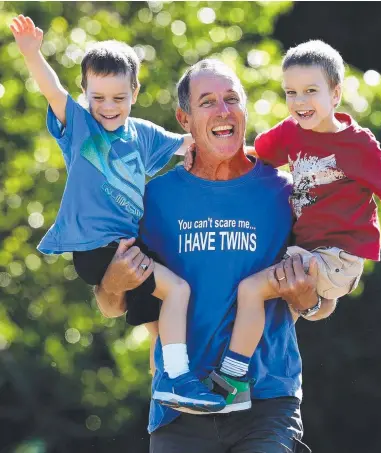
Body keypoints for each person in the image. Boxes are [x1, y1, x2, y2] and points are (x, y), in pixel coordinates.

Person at [96, 58, 338, 452]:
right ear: (184, 118)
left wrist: (307, 299)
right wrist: (112, 283)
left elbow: (324, 304)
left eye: (232, 99)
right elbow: (112, 306)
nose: (223, 110)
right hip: (180, 408)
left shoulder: (287, 192)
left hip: (267, 401)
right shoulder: (155, 198)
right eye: (207, 101)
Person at [10, 14, 225, 413]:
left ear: (135, 91)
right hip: (97, 249)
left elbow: (191, 142)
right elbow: (53, 92)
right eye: (98, 98)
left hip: (129, 244)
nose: (108, 108)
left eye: (118, 98)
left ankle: (165, 379)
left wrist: (252, 154)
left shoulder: (141, 134)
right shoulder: (80, 128)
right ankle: (179, 381)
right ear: (85, 94)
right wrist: (32, 55)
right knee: (176, 290)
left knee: (160, 312)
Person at [214, 40, 381, 389]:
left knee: (252, 287)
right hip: (307, 251)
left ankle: (230, 378)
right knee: (268, 309)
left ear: (335, 94)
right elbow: (256, 158)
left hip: (339, 257)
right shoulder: (290, 131)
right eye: (291, 92)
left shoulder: (357, 144)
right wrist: (215, 155)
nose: (299, 102)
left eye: (310, 91)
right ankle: (254, 380)